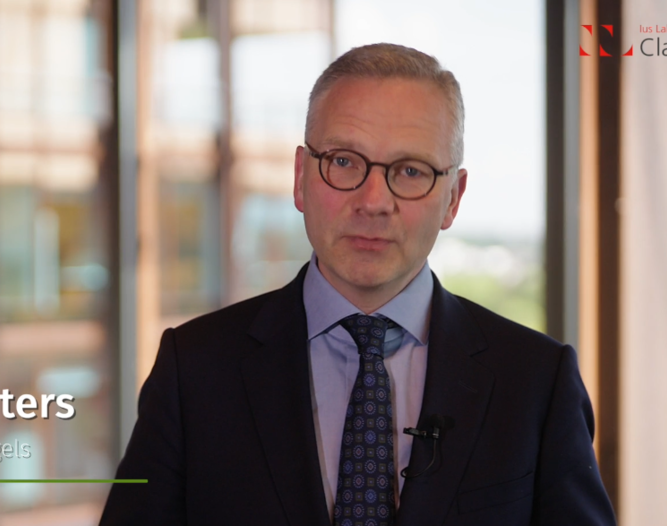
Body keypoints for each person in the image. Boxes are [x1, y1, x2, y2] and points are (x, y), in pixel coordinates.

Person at [99, 43, 615, 526]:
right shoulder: (193, 370)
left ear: (453, 199)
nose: (373, 201)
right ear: (300, 177)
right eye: (344, 162)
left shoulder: (536, 382)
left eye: (410, 171)